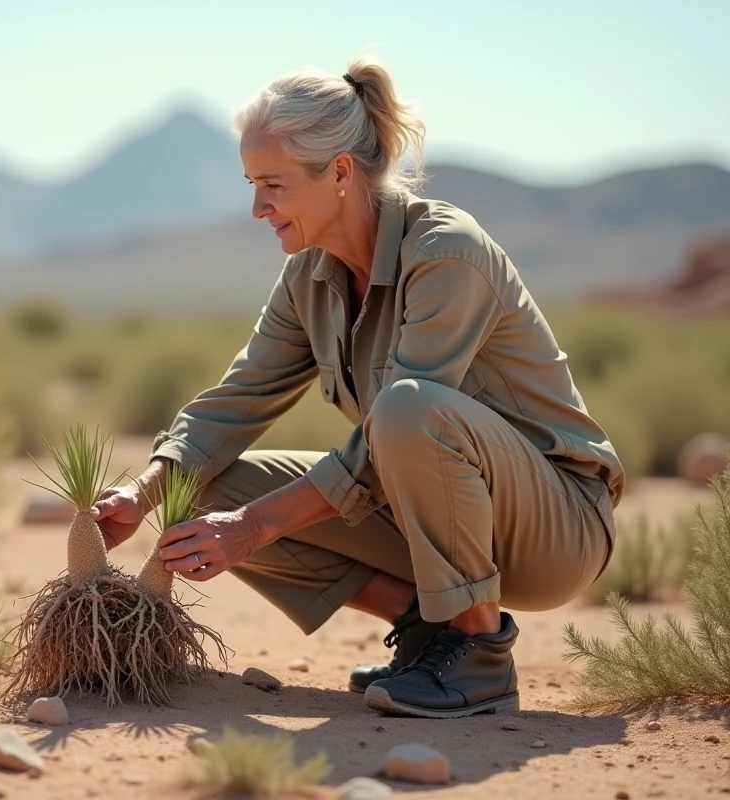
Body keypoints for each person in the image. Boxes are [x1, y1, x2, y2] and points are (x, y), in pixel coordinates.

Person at [89, 56, 623, 719]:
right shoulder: (309, 276)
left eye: (273, 185)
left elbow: (405, 424)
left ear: (339, 172)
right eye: (253, 185)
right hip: (427, 511)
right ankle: (427, 625)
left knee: (405, 410)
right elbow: (236, 399)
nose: (257, 208)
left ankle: (479, 645)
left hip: (554, 527)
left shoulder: (446, 252)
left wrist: (253, 529)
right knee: (208, 483)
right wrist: (144, 492)